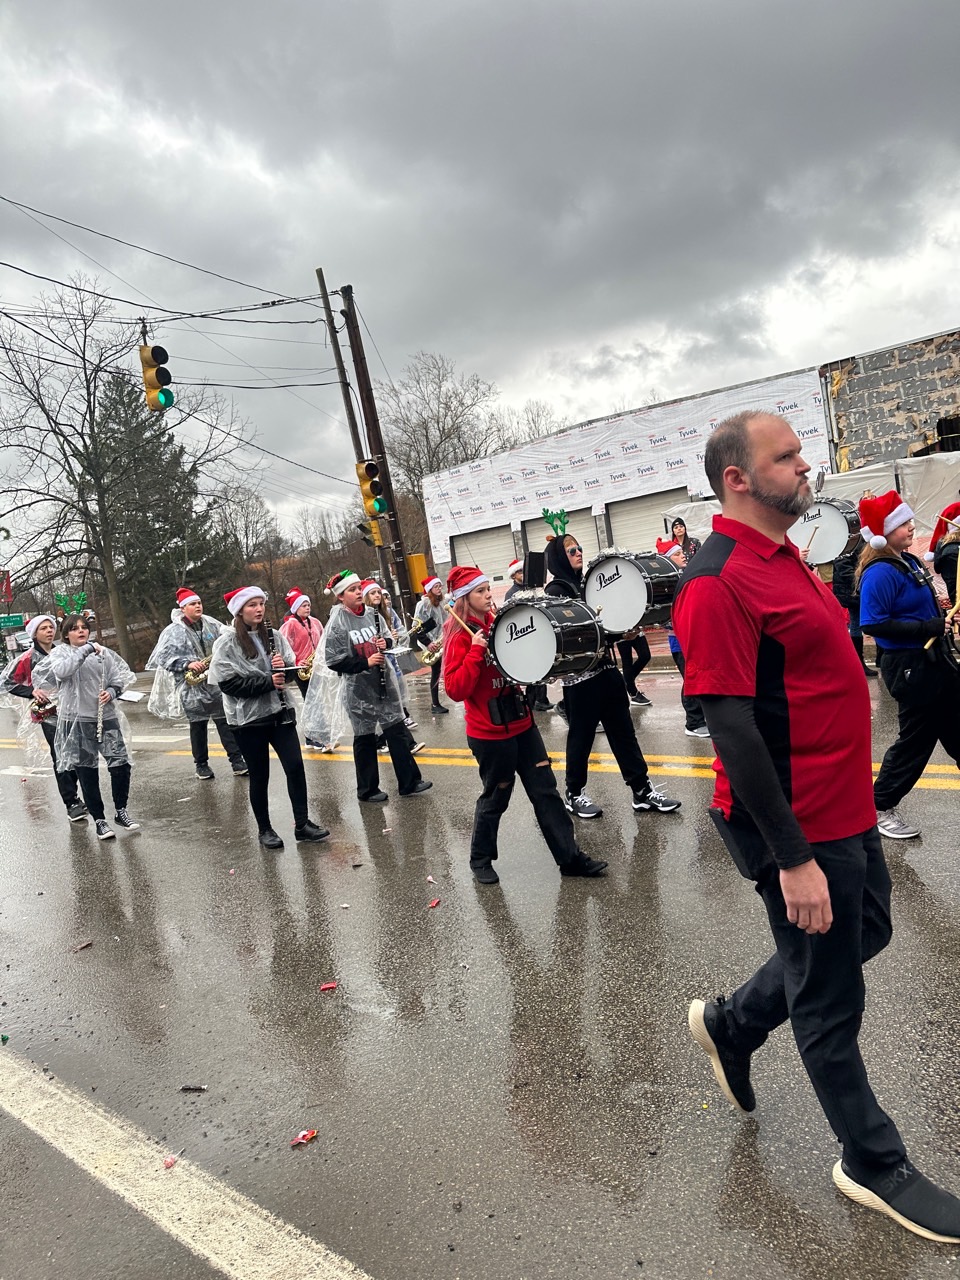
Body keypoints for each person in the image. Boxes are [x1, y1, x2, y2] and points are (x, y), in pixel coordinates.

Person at [674, 409, 960, 1243]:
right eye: (787, 455)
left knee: (865, 928)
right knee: (829, 995)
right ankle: (871, 1161)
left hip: (843, 808)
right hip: (795, 825)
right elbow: (730, 727)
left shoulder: (787, 555)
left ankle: (732, 1022)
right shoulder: (716, 580)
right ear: (738, 478)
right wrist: (792, 858)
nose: (806, 466)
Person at [441, 565, 607, 884]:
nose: (489, 594)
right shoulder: (459, 633)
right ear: (463, 599)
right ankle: (480, 859)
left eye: (488, 588)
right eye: (480, 591)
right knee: (496, 797)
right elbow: (455, 689)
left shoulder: (500, 622)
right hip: (490, 734)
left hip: (521, 723)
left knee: (546, 792)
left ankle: (569, 858)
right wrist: (476, 652)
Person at [544, 529, 680, 820]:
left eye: (579, 547)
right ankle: (574, 793)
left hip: (606, 670)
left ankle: (641, 791)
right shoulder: (556, 592)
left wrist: (623, 630)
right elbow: (573, 636)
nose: (579, 552)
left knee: (624, 734)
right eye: (571, 550)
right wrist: (613, 634)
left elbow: (604, 625)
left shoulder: (589, 584)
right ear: (558, 558)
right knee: (581, 739)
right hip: (580, 680)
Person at [857, 491, 960, 841]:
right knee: (915, 742)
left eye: (910, 521)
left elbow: (917, 605)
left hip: (935, 661)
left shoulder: (908, 561)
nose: (911, 528)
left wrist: (942, 612)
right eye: (902, 524)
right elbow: (872, 623)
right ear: (883, 532)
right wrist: (926, 628)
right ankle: (878, 805)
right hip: (911, 668)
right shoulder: (880, 571)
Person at [208, 586, 329, 850]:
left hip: (279, 713)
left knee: (295, 767)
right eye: (252, 605)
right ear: (239, 610)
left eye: (261, 603)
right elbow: (227, 684)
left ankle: (302, 824)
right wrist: (267, 682)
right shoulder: (227, 643)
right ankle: (265, 829)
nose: (259, 609)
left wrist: (282, 672)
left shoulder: (273, 635)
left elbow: (288, 670)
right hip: (248, 722)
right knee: (260, 775)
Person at [323, 570, 432, 804]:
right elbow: (333, 660)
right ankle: (368, 790)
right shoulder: (338, 622)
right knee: (365, 740)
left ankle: (409, 782)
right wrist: (365, 662)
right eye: (352, 590)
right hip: (358, 690)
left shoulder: (374, 614)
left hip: (384, 682)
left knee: (396, 732)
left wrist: (386, 642)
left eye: (358, 589)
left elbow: (389, 639)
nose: (358, 593)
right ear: (341, 596)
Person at [41, 614, 138, 840]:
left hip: (106, 717)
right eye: (75, 629)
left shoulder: (102, 654)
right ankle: (100, 819)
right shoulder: (60, 653)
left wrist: (112, 691)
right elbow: (62, 672)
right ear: (66, 634)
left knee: (121, 763)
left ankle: (121, 810)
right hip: (78, 721)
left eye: (84, 627)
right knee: (87, 769)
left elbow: (118, 679)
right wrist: (84, 651)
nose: (81, 631)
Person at [145, 588, 248, 779]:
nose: (198, 606)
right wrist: (187, 664)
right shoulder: (173, 631)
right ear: (183, 608)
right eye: (193, 604)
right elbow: (163, 656)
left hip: (213, 680)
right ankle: (201, 765)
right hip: (190, 685)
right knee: (198, 726)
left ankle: (237, 761)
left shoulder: (210, 623)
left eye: (199, 602)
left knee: (224, 722)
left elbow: (225, 640)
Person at [1, 614, 84, 821]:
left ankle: (76, 796)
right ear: (35, 634)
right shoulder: (27, 658)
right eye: (43, 628)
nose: (49, 631)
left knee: (75, 753)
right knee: (60, 755)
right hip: (48, 712)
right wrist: (31, 691)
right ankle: (71, 802)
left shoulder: (62, 653)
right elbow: (7, 682)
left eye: (51, 627)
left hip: (72, 709)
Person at [361, 580, 425, 756]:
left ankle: (391, 741)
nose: (376, 595)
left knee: (393, 708)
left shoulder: (387, 613)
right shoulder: (364, 617)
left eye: (378, 592)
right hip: (374, 669)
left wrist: (391, 638)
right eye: (372, 593)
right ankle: (401, 742)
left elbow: (395, 638)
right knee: (385, 709)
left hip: (390, 666)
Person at [656, 539, 709, 737]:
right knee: (690, 679)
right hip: (678, 640)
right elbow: (663, 618)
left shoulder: (684, 576)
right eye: (677, 555)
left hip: (692, 636)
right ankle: (693, 723)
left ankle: (701, 719)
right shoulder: (665, 584)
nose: (683, 556)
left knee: (697, 676)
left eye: (682, 553)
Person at [504, 557, 552, 712]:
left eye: (522, 570)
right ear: (513, 576)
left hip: (536, 632)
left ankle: (541, 699)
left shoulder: (530, 588)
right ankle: (533, 702)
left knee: (541, 667)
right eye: (518, 572)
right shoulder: (511, 594)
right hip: (524, 636)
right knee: (533, 670)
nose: (522, 573)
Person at [831, 551, 878, 678]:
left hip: (858, 589)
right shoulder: (847, 543)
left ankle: (878, 657)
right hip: (852, 591)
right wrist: (864, 580)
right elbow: (843, 568)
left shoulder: (858, 539)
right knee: (856, 624)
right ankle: (858, 663)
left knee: (875, 619)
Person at [414, 576, 448, 713]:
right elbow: (417, 627)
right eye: (436, 587)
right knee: (435, 672)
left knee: (440, 671)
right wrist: (428, 643)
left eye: (440, 586)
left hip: (441, 640)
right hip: (431, 643)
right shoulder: (423, 604)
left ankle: (436, 703)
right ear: (429, 589)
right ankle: (435, 704)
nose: (439, 589)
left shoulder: (442, 602)